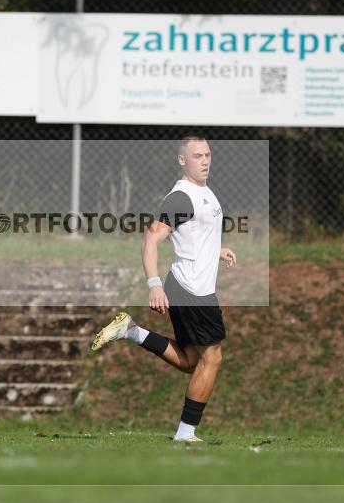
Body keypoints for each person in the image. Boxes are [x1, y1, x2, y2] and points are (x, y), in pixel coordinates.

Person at [92, 136, 236, 443]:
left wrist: (217, 250)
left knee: (189, 361)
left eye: (208, 154)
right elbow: (151, 239)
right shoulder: (181, 197)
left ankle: (131, 331)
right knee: (213, 358)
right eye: (198, 156)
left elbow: (194, 232)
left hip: (190, 286)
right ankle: (185, 434)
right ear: (183, 160)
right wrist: (154, 285)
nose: (206, 160)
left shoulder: (203, 191)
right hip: (192, 290)